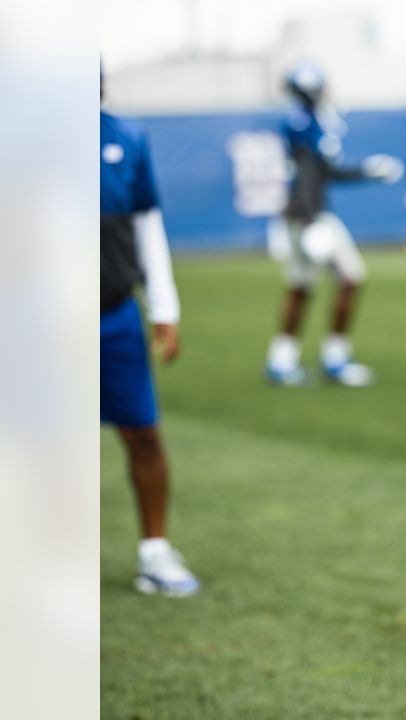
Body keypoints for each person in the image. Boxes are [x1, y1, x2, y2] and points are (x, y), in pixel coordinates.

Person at [101, 81, 200, 597]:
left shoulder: (124, 140)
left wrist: (164, 308)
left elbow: (146, 224)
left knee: (143, 433)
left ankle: (154, 552)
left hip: (113, 315)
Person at [264, 62, 402, 387]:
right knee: (350, 277)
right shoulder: (305, 124)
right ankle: (335, 358)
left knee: (301, 287)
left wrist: (366, 171)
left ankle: (281, 360)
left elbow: (321, 173)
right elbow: (309, 174)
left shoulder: (304, 122)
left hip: (300, 214)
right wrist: (312, 220)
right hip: (309, 215)